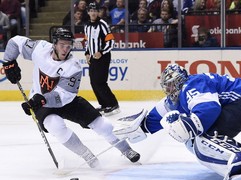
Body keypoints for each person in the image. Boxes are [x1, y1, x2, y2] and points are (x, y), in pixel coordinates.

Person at [2, 28, 140, 168]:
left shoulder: (73, 67)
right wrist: (8, 62)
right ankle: (86, 154)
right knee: (55, 126)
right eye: (62, 45)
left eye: (68, 46)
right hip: (41, 104)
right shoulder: (40, 48)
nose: (65, 49)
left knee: (102, 125)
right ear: (54, 44)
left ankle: (126, 149)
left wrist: (40, 100)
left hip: (64, 101)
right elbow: (15, 42)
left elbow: (64, 96)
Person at [118, 63, 241, 180]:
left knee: (201, 134)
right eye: (166, 86)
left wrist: (190, 125)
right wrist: (139, 129)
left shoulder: (192, 85)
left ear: (179, 81)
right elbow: (155, 118)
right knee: (194, 140)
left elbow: (209, 109)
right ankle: (232, 159)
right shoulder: (176, 97)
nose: (168, 90)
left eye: (171, 85)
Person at [84, 2, 120, 116]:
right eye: (91, 10)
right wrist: (87, 54)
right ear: (88, 12)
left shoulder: (102, 24)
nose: (93, 13)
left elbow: (111, 42)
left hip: (103, 57)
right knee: (93, 82)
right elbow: (87, 42)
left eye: (95, 11)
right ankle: (104, 104)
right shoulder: (87, 26)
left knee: (100, 81)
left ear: (98, 12)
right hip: (93, 58)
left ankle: (113, 104)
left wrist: (102, 52)